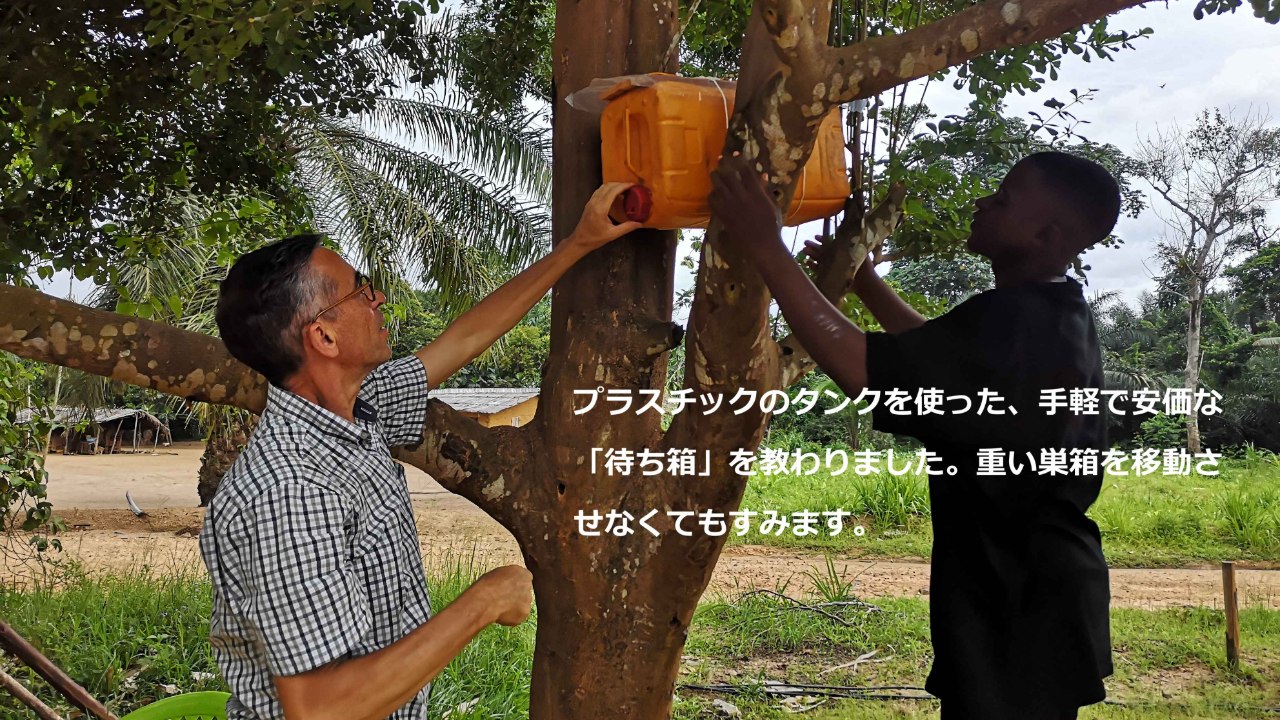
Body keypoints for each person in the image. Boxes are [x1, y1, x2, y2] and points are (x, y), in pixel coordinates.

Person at [201, 182, 642, 720]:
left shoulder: (357, 407)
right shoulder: (291, 492)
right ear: (324, 338)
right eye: (360, 291)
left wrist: (578, 243)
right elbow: (320, 708)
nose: (378, 299)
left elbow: (465, 338)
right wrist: (485, 601)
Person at [708, 151, 1120, 720]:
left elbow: (863, 370)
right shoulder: (1048, 311)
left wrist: (764, 244)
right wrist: (865, 283)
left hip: (1019, 602)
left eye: (1003, 200)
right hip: (1033, 590)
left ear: (1046, 235)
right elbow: (938, 360)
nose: (983, 203)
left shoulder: (1020, 322)